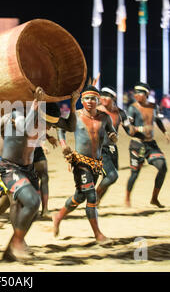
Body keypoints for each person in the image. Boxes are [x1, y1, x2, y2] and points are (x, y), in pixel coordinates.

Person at [0, 87, 77, 261]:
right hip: (10, 168)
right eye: (47, 124)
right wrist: (35, 105)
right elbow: (25, 129)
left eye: (50, 125)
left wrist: (72, 103)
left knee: (30, 210)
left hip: (28, 169)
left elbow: (70, 126)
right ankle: (17, 242)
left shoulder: (44, 116)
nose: (48, 128)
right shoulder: (18, 114)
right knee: (31, 202)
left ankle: (13, 246)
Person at [52, 85, 117, 245]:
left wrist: (113, 136)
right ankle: (98, 235)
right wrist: (63, 145)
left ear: (98, 100)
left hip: (96, 163)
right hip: (80, 162)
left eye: (93, 99)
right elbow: (61, 129)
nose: (90, 101)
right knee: (91, 195)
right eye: (87, 98)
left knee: (80, 196)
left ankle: (58, 217)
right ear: (82, 100)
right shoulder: (76, 116)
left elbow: (111, 131)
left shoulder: (104, 118)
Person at [125, 82, 170, 208]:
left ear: (146, 94)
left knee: (163, 167)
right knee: (135, 174)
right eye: (135, 92)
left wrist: (165, 132)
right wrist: (141, 129)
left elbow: (157, 120)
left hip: (151, 144)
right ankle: (127, 197)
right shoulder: (132, 108)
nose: (136, 95)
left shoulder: (153, 106)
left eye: (140, 92)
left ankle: (154, 198)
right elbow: (129, 130)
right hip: (137, 145)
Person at [95, 86, 134, 205]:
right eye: (102, 95)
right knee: (112, 176)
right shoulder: (95, 111)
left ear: (113, 98)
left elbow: (130, 132)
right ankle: (94, 197)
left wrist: (134, 123)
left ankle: (97, 202)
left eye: (107, 96)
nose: (103, 98)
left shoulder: (120, 113)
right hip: (98, 149)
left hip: (112, 149)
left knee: (109, 178)